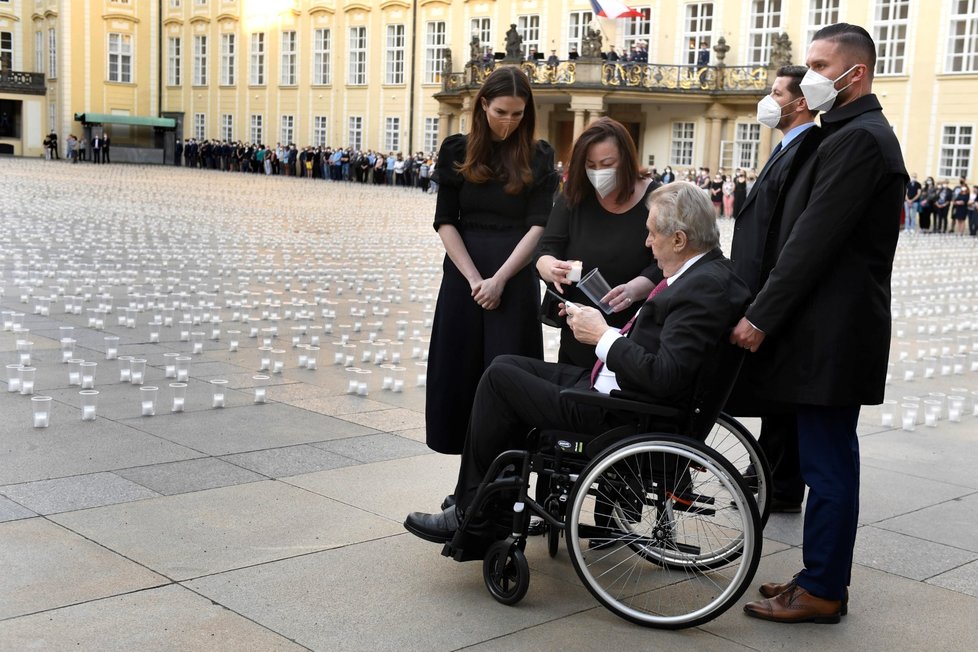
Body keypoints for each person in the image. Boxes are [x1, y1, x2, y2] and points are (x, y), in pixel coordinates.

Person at [404, 181, 751, 544]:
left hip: (623, 412)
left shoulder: (701, 289)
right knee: (507, 364)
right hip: (623, 391)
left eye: (651, 234)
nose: (648, 244)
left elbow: (665, 375)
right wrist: (595, 324)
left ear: (679, 239)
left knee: (500, 381)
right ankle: (484, 498)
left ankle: (474, 514)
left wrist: (601, 335)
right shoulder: (708, 274)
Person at [734, 23, 907, 624]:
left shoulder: (860, 140)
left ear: (854, 74)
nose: (808, 77)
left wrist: (760, 317)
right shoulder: (844, 132)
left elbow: (812, 242)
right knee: (821, 461)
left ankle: (825, 590)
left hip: (833, 335)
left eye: (819, 64)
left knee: (829, 466)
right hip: (822, 331)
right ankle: (818, 576)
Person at [425, 66, 558, 455]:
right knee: (460, 371)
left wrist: (499, 280)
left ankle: (506, 475)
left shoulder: (538, 154)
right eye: (501, 112)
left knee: (508, 373)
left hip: (513, 278)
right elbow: (445, 221)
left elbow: (538, 226)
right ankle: (468, 485)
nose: (509, 122)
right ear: (483, 105)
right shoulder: (456, 149)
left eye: (518, 114)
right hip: (464, 278)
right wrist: (473, 280)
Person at [727, 64, 820, 515]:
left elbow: (783, 236)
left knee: (780, 393)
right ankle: (767, 466)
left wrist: (762, 305)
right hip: (756, 288)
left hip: (770, 295)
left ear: (799, 102)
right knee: (771, 391)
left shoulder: (805, 149)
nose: (769, 99)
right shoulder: (788, 145)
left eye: (776, 91)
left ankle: (781, 483)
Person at [535, 117, 663, 367]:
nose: (598, 172)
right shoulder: (575, 195)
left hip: (633, 334)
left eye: (607, 164)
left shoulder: (656, 199)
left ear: (626, 160)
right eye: (590, 165)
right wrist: (549, 267)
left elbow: (669, 263)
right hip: (578, 330)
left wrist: (634, 289)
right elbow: (545, 248)